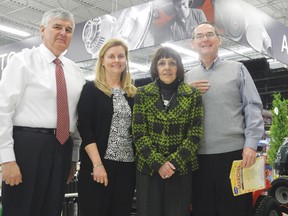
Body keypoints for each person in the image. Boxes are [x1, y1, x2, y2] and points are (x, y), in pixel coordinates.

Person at [0, 8, 85, 216]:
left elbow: (76, 118)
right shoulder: (22, 61)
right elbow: (3, 109)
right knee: (22, 209)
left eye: (68, 29)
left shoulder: (75, 71)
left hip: (61, 149)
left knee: (52, 209)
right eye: (57, 27)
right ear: (42, 29)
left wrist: (73, 157)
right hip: (27, 147)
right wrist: (6, 159)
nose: (63, 33)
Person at [185, 22, 264, 216]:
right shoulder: (187, 79)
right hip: (198, 160)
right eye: (200, 36)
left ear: (218, 40)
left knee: (236, 210)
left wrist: (251, 144)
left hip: (235, 156)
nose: (205, 39)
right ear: (192, 43)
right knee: (203, 211)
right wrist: (185, 94)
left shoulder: (238, 69)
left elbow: (252, 107)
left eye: (210, 34)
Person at [132, 47, 203, 216]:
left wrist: (173, 164)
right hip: (148, 170)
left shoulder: (192, 95)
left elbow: (195, 134)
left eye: (172, 63)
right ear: (155, 68)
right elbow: (139, 133)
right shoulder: (141, 94)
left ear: (178, 68)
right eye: (162, 63)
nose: (167, 68)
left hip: (180, 170)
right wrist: (158, 163)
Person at [77, 38, 137, 216]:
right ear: (102, 61)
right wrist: (97, 165)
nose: (116, 60)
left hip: (127, 168)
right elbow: (85, 129)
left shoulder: (133, 93)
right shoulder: (91, 89)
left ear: (125, 60)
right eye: (111, 56)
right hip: (98, 166)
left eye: (121, 56)